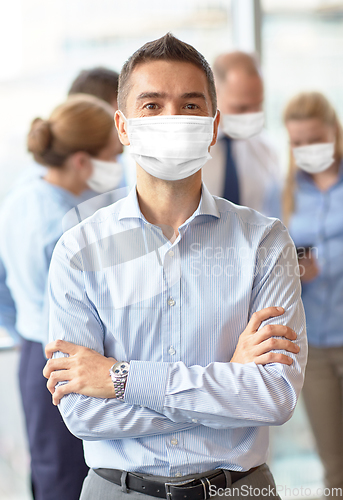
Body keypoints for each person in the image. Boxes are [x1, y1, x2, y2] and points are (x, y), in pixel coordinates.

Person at [43, 34, 307, 499]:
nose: (173, 119)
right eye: (152, 105)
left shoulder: (264, 242)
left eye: (190, 105)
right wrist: (228, 381)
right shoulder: (78, 249)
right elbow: (83, 414)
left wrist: (121, 379)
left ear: (213, 124)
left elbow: (274, 396)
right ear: (123, 126)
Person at [0, 94, 124, 500]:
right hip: (64, 363)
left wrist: (24, 330)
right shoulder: (60, 226)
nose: (120, 163)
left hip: (38, 350)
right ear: (83, 161)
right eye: (113, 153)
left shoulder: (27, 195)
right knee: (65, 481)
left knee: (54, 471)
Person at [283, 91, 343, 494]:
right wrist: (294, 268)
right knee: (335, 469)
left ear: (334, 132)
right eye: (298, 142)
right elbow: (272, 258)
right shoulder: (285, 193)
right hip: (315, 346)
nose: (307, 149)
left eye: (314, 139)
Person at [202, 51, 281, 217]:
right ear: (214, 93)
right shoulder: (189, 150)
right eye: (241, 108)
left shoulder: (267, 149)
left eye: (258, 105)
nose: (251, 115)